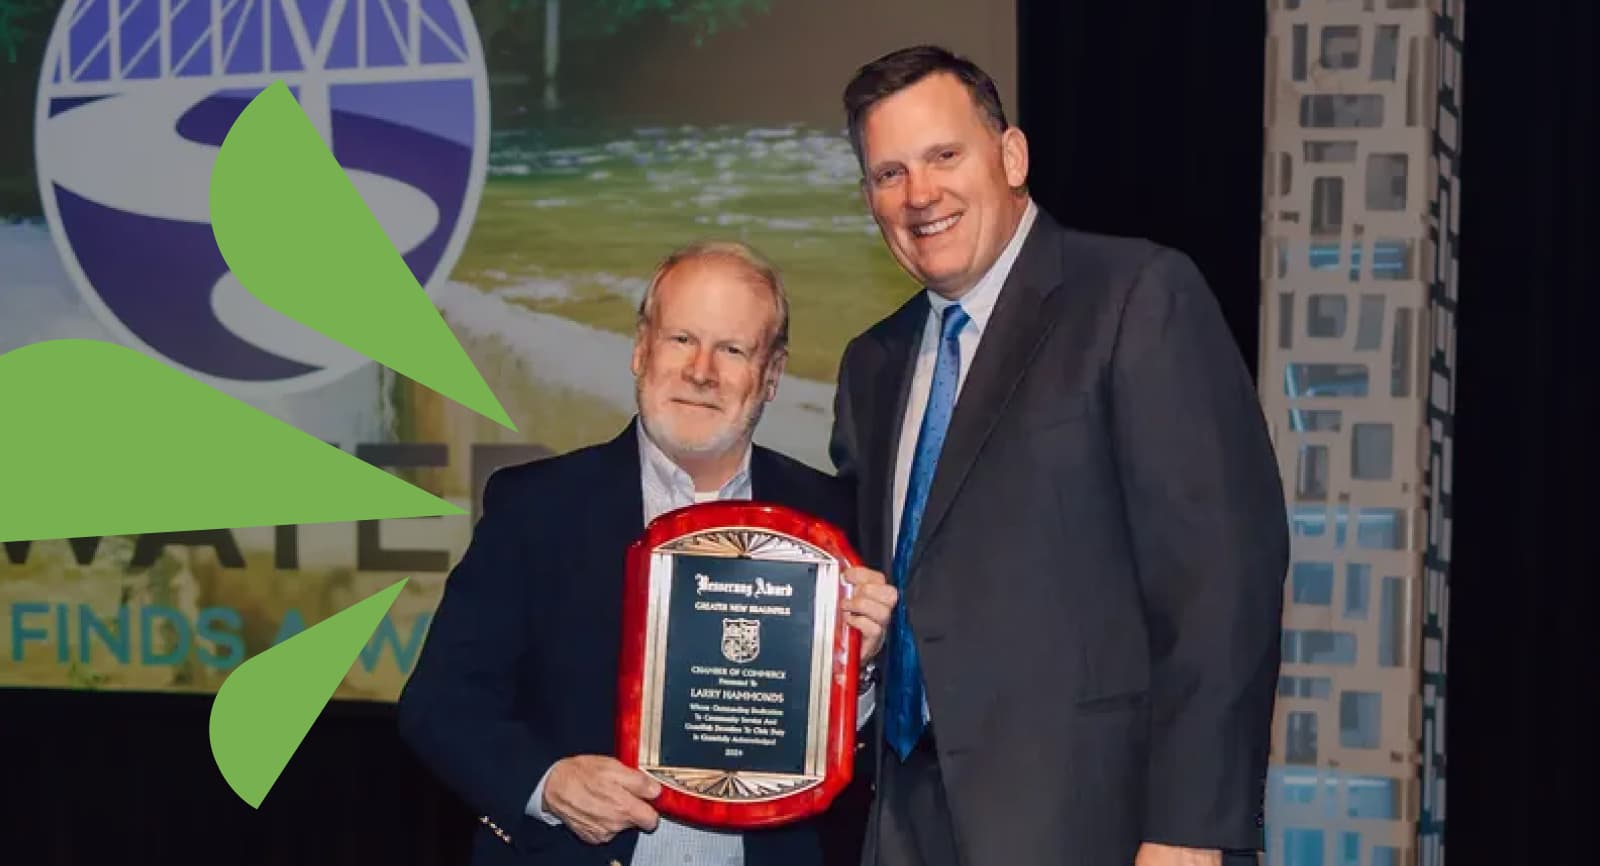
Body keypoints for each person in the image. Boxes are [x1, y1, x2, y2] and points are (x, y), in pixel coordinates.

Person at [827, 45, 1290, 866]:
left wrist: (1190, 829)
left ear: (1011, 156)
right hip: (902, 820)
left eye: (943, 156)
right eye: (888, 173)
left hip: (1095, 824)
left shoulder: (1136, 295)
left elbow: (1222, 580)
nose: (919, 195)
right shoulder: (873, 363)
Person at [398, 240, 899, 866]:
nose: (701, 370)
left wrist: (864, 666)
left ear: (771, 376)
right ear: (641, 348)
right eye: (681, 339)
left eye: (733, 349)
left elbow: (876, 756)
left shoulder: (832, 523)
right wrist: (548, 784)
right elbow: (441, 703)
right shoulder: (536, 508)